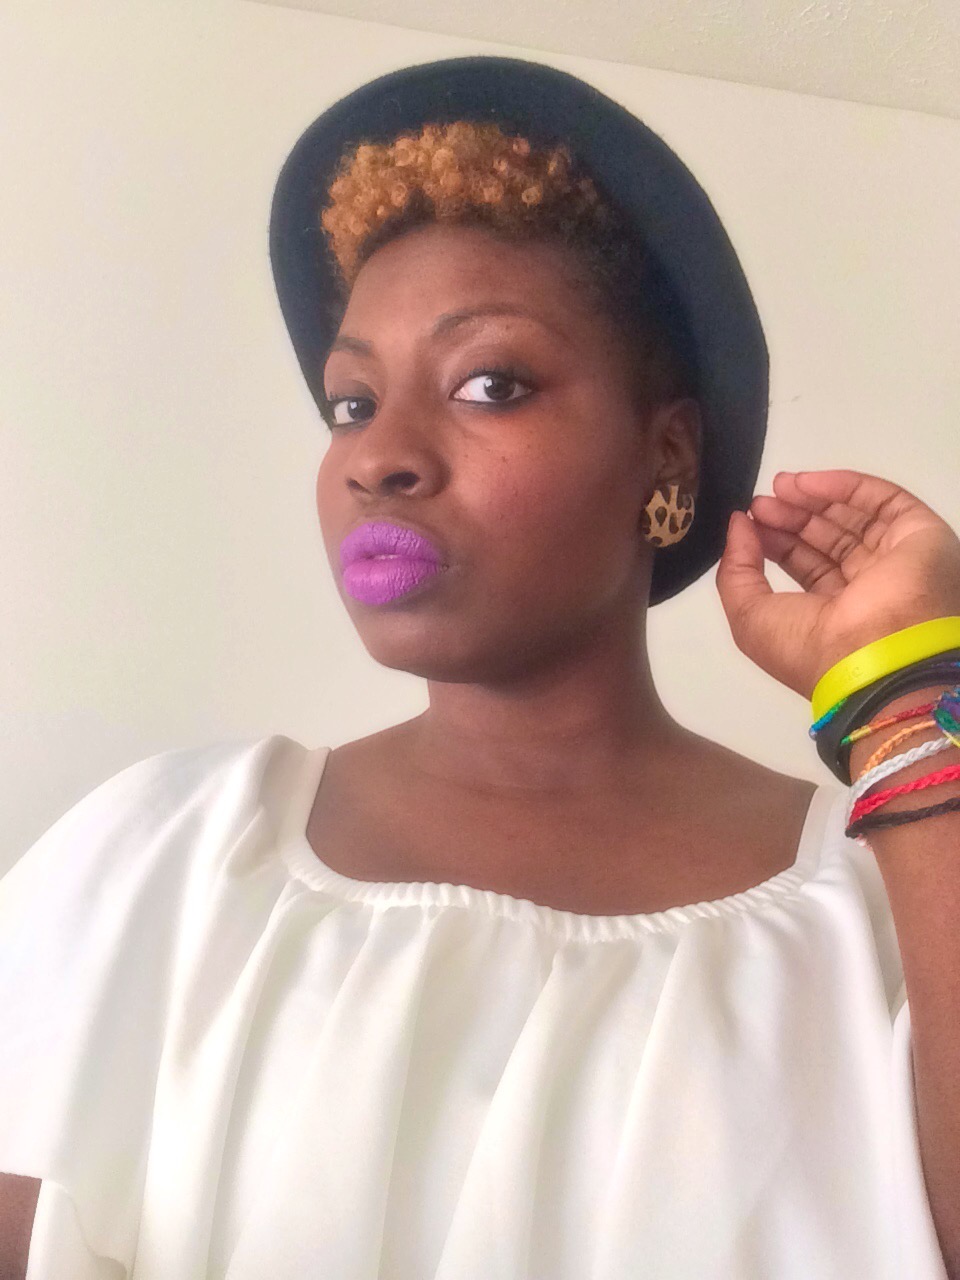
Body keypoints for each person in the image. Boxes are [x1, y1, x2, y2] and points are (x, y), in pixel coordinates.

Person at [3, 54, 960, 1280]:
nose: (378, 457)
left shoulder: (876, 912)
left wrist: (905, 699)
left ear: (666, 455)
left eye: (489, 383)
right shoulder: (167, 856)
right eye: (352, 404)